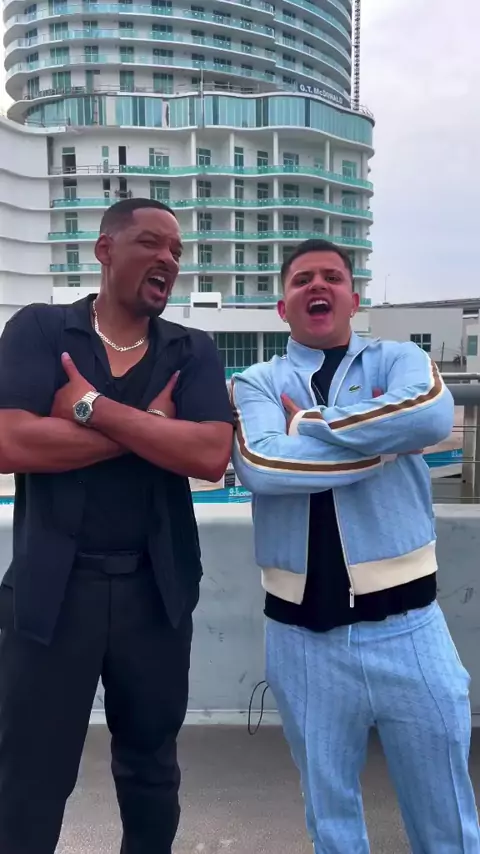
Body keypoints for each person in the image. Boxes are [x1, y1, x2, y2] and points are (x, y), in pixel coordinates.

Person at [0, 197, 234, 854]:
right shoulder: (41, 330)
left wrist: (89, 409)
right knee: (29, 776)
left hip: (156, 593)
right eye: (152, 243)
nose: (169, 259)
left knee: (151, 770)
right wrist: (151, 429)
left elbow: (209, 455)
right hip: (52, 594)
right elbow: (9, 442)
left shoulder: (191, 350)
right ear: (105, 250)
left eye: (177, 252)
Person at [231, 238, 480, 853]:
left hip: (410, 629)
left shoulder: (399, 358)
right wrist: (381, 445)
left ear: (353, 297)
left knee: (446, 815)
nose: (318, 286)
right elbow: (264, 465)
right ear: (283, 306)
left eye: (332, 277)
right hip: (300, 639)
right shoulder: (257, 381)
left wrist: (307, 424)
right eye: (302, 280)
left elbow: (428, 417)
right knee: (332, 819)